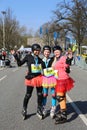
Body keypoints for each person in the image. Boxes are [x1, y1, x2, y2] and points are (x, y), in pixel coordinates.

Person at [11, 43, 44, 120]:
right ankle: (24, 109)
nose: (37, 52)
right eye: (35, 50)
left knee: (40, 94)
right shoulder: (28, 57)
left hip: (39, 78)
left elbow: (46, 69)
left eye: (38, 50)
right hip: (31, 78)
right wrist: (15, 56)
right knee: (28, 95)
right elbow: (19, 64)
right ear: (32, 50)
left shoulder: (40, 60)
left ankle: (39, 109)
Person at [52, 45, 74, 124]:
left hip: (63, 79)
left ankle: (64, 115)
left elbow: (66, 66)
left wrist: (69, 60)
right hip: (58, 79)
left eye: (57, 51)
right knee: (62, 96)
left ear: (60, 51)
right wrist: (55, 59)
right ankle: (62, 110)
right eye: (54, 52)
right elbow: (53, 67)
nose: (56, 53)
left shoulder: (63, 58)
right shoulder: (56, 59)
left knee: (59, 96)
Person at [42, 45, 57, 119]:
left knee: (54, 94)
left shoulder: (52, 59)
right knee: (44, 94)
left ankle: (53, 109)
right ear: (43, 52)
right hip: (44, 79)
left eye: (48, 52)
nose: (47, 53)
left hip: (52, 79)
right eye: (45, 52)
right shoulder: (40, 60)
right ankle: (44, 108)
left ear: (50, 52)